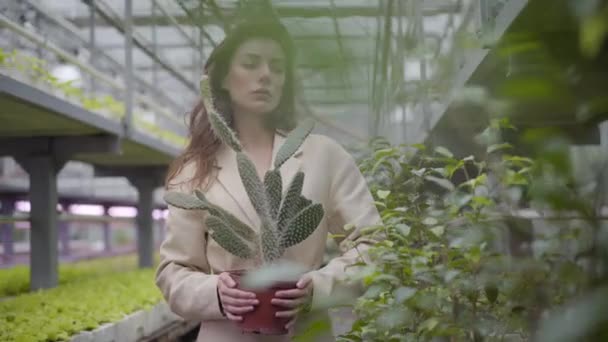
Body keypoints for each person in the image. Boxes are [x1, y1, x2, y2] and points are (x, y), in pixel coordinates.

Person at [155, 18, 381, 342]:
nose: (266, 75)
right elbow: (173, 273)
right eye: (251, 63)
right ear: (222, 79)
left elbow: (374, 245)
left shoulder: (324, 156)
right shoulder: (194, 170)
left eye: (277, 67)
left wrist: (316, 288)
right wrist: (216, 292)